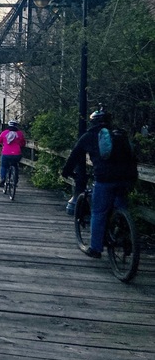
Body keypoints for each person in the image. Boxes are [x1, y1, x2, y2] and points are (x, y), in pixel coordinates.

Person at [61, 108, 138, 258]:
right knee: (120, 206)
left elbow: (74, 156)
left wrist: (66, 172)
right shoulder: (120, 135)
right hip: (127, 178)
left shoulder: (89, 136)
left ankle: (95, 248)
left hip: (105, 179)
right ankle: (125, 234)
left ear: (92, 122)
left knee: (99, 212)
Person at [0, 120, 26, 188]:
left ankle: (3, 179)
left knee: (4, 166)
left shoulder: (4, 133)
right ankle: (15, 180)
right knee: (15, 166)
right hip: (17, 154)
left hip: (6, 153)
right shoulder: (20, 133)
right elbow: (23, 143)